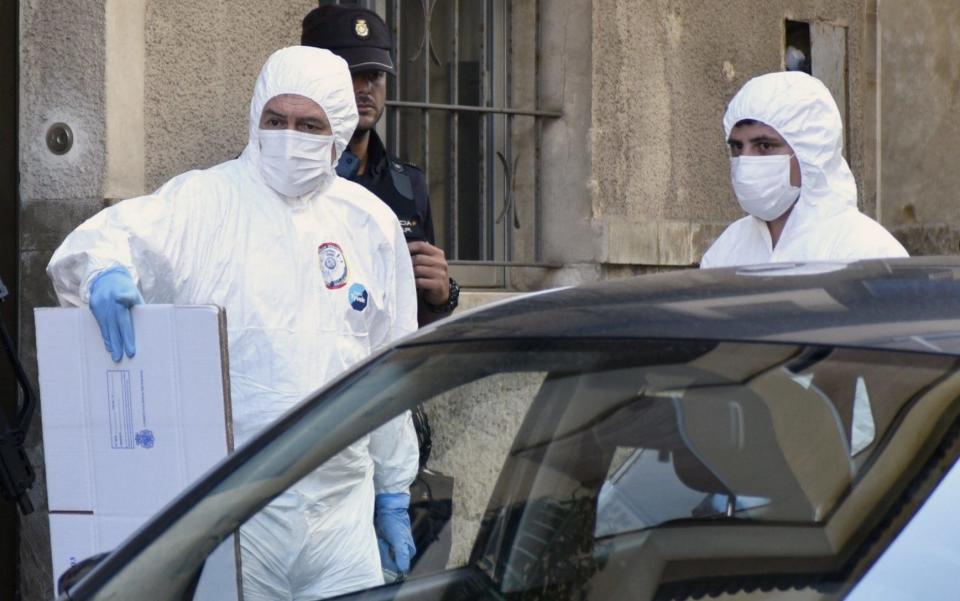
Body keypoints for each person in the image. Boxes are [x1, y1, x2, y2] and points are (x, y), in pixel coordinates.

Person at [46, 46, 420, 600]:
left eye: (309, 124)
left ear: (338, 130)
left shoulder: (370, 223)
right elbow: (105, 238)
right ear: (255, 120)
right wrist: (103, 271)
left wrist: (395, 488)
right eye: (276, 120)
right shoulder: (206, 203)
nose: (289, 136)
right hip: (239, 516)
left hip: (342, 510)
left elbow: (390, 367)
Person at [300, 4, 459, 326]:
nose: (363, 89)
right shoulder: (284, 176)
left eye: (373, 76)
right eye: (349, 75)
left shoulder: (406, 183)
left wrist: (441, 296)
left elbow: (414, 315)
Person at [700, 71, 907, 268]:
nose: (745, 161)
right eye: (737, 147)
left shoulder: (865, 250)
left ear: (810, 152)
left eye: (764, 146)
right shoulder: (727, 250)